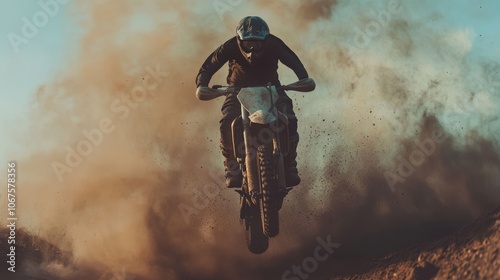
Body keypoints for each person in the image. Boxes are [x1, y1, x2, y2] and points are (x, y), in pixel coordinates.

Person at [195, 16, 313, 188]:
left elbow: (293, 60)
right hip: (237, 91)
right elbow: (209, 65)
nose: (251, 49)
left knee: (290, 118)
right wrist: (201, 85)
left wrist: (304, 78)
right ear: (239, 40)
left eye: (256, 44)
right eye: (247, 44)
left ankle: (289, 163)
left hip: (271, 90)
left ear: (265, 41)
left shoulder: (274, 44)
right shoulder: (229, 46)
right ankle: (231, 165)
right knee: (226, 121)